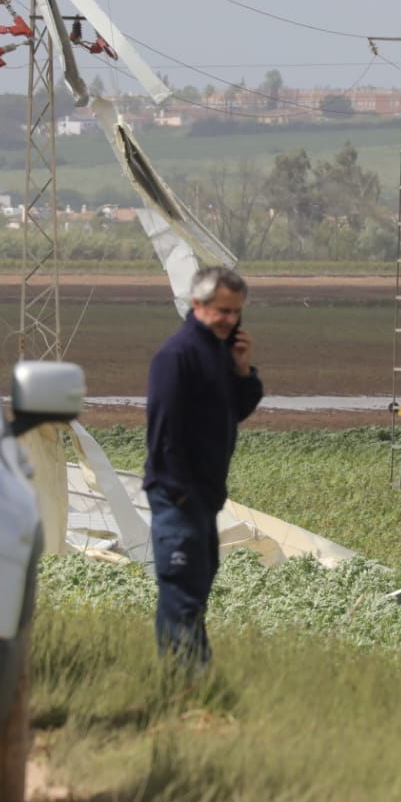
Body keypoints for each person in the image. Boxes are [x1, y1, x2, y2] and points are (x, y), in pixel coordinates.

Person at [143, 265, 263, 668]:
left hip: (202, 499)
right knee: (182, 595)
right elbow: (164, 436)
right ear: (198, 304)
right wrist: (182, 494)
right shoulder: (176, 357)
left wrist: (243, 370)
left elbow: (235, 411)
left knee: (193, 591)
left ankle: (189, 684)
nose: (230, 319)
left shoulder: (217, 352)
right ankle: (188, 687)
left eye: (236, 312)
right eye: (222, 311)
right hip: (180, 497)